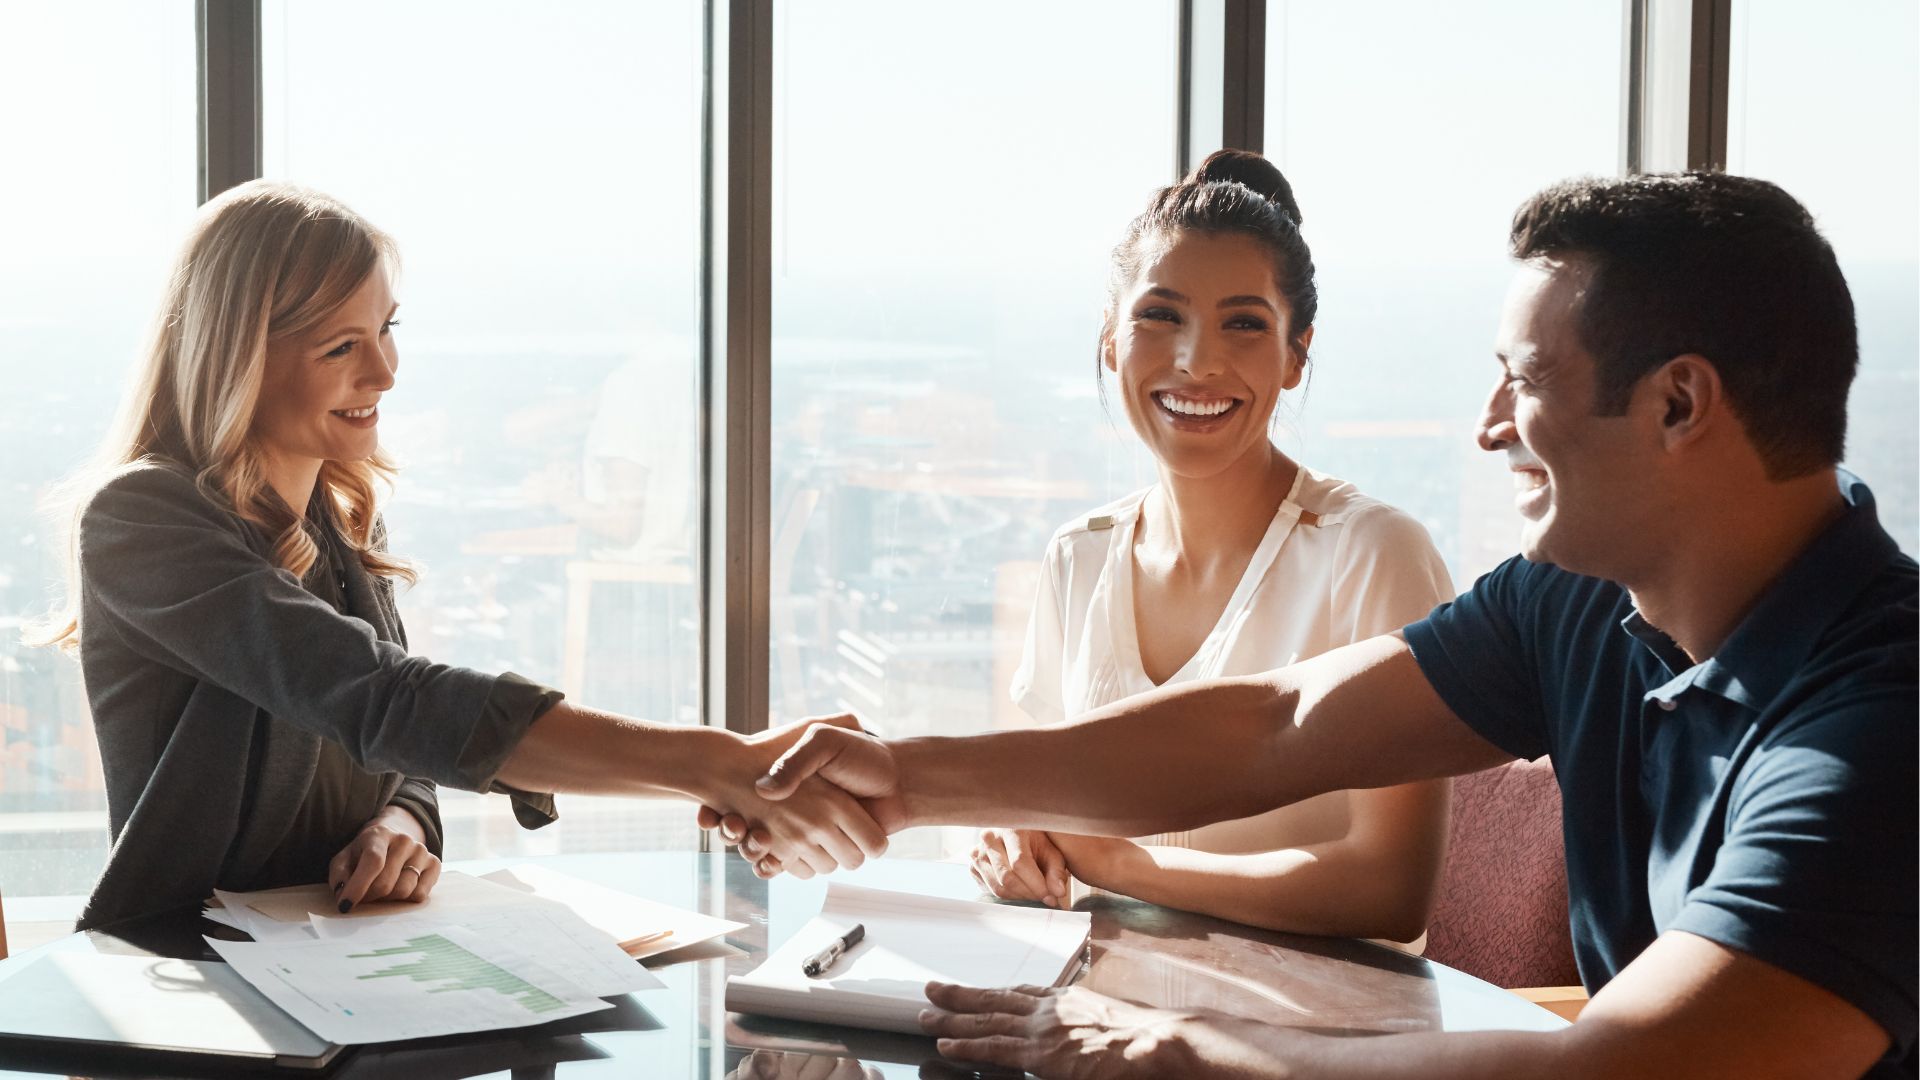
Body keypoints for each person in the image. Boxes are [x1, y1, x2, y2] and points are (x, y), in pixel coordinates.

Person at [736, 172, 1917, 1079]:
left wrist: (1216, 1052)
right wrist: (904, 777)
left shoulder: (1880, 736)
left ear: (1677, 402)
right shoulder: (1583, 597)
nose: (1489, 425)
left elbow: (1628, 1071)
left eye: (1526, 380)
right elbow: (1278, 725)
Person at [34, 180, 886, 931]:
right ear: (237, 358)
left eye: (386, 331)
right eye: (342, 346)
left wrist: (400, 828)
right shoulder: (142, 519)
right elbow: (382, 699)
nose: (385, 373)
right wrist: (717, 763)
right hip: (185, 988)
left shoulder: (340, 527)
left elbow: (404, 759)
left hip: (339, 966)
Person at [972, 151, 1456, 942]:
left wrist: (1120, 866)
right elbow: (1037, 821)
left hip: (1316, 1042)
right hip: (1100, 1020)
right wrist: (1011, 850)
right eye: (1160, 316)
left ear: (1296, 355)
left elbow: (1390, 887)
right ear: (1109, 340)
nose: (1197, 360)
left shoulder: (1371, 554)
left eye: (1244, 323)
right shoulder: (1077, 557)